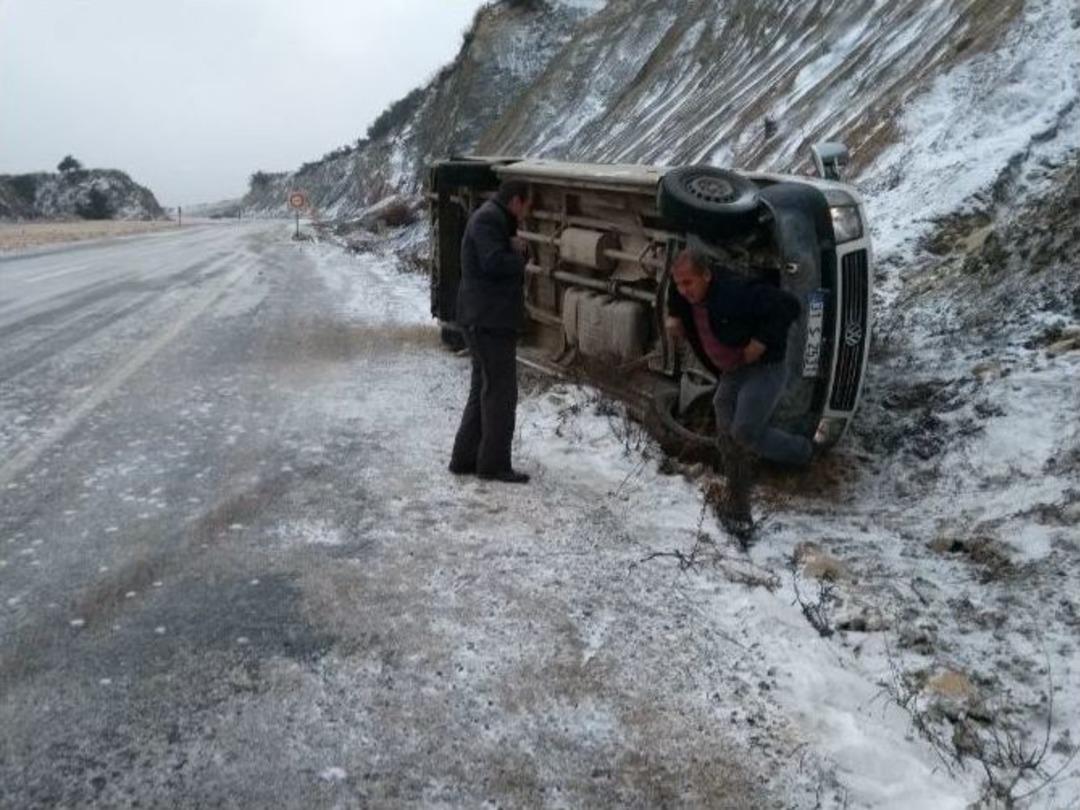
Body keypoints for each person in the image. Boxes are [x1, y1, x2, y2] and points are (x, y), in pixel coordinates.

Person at [665, 249, 813, 467]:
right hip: (734, 369)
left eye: (688, 283)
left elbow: (788, 305)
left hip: (764, 367)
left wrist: (761, 341)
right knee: (722, 405)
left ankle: (804, 452)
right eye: (679, 284)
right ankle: (734, 470)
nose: (683, 290)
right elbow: (675, 291)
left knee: (744, 430)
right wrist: (674, 314)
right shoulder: (686, 291)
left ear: (706, 275)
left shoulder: (735, 292)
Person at [449, 179, 532, 484]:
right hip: (489, 320)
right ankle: (493, 464)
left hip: (483, 318)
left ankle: (465, 458)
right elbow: (493, 263)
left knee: (482, 388)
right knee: (500, 393)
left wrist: (511, 245)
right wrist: (520, 254)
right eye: (527, 205)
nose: (527, 213)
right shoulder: (489, 219)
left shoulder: (492, 218)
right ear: (517, 201)